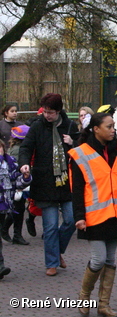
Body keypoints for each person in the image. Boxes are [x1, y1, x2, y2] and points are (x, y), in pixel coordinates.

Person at [70, 113, 117, 317]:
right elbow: (76, 189)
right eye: (109, 126)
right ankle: (84, 297)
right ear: (96, 129)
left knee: (110, 260)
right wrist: (79, 216)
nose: (113, 130)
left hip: (116, 213)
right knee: (98, 259)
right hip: (94, 216)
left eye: (114, 126)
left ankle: (103, 305)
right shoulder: (80, 154)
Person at [18, 93, 77, 276]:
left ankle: (57, 250)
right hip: (44, 182)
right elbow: (26, 147)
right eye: (45, 112)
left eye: (51, 112)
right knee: (50, 226)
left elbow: (84, 149)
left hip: (66, 182)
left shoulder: (70, 125)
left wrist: (73, 143)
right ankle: (51, 262)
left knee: (71, 219)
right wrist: (24, 163)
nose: (47, 115)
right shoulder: (37, 127)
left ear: (58, 111)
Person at [0, 137, 32, 280]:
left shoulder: (10, 163)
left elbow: (17, 183)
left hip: (3, 205)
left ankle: (0, 266)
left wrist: (25, 177)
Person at [2, 125, 32, 245]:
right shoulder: (18, 150)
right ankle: (11, 232)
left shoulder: (15, 148)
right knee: (17, 209)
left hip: (18, 183)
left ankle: (15, 233)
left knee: (18, 208)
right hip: (17, 183)